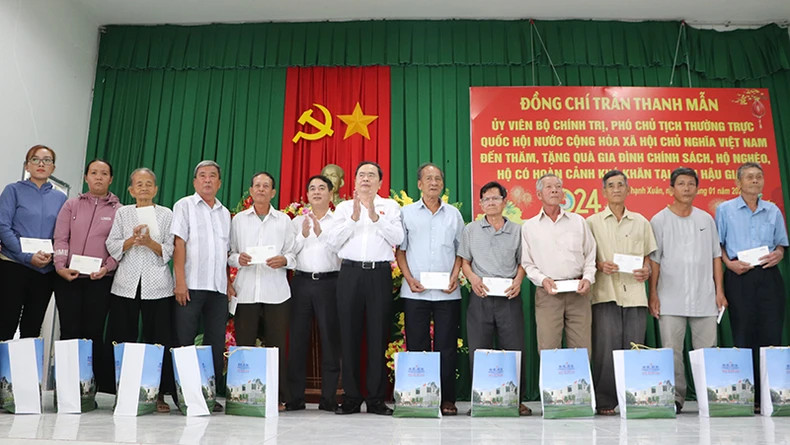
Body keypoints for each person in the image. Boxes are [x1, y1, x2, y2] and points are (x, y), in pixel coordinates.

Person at [327, 161, 404, 415]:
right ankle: (351, 397)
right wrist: (353, 219)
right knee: (349, 336)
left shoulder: (390, 207)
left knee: (377, 335)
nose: (366, 179)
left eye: (372, 175)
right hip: (350, 273)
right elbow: (333, 242)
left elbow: (398, 238)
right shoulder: (343, 208)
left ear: (380, 182)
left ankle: (375, 399)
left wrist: (374, 217)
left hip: (379, 274)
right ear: (354, 180)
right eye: (361, 175)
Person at [648, 167, 726, 413]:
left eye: (691, 184)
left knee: (706, 351)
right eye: (681, 184)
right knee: (672, 351)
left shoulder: (706, 219)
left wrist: (720, 291)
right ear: (671, 189)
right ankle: (676, 397)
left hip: (705, 296)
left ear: (697, 188)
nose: (686, 188)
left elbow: (716, 257)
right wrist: (653, 294)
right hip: (670, 296)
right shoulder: (659, 220)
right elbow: (654, 261)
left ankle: (708, 396)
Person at [715, 162, 787, 413]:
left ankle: (772, 394)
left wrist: (779, 254)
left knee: (771, 333)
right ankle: (749, 396)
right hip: (739, 275)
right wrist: (729, 265)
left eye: (758, 177)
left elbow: (780, 244)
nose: (755, 181)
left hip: (768, 275)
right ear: (738, 183)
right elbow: (718, 246)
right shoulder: (725, 210)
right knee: (743, 333)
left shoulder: (773, 210)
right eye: (749, 177)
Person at [586, 170, 657, 416]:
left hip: (635, 294)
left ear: (628, 189)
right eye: (611, 185)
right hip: (605, 292)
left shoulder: (641, 222)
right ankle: (605, 400)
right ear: (603, 192)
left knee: (634, 347)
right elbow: (586, 257)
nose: (616, 189)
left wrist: (646, 270)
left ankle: (634, 397)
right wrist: (599, 265)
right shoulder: (591, 222)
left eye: (620, 185)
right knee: (605, 349)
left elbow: (648, 257)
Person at [395, 163, 464, 416]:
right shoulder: (407, 213)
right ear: (419, 184)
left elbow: (461, 251)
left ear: (442, 184)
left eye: (438, 179)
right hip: (415, 291)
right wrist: (408, 278)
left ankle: (447, 399)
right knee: (417, 345)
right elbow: (400, 251)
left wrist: (455, 277)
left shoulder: (454, 215)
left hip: (448, 293)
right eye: (428, 178)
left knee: (447, 347)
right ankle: (420, 397)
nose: (433, 182)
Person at [105, 167, 176, 413]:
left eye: (148, 184)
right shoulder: (123, 213)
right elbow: (112, 245)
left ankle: (158, 394)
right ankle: (123, 391)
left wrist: (149, 242)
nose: (144, 188)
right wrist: (132, 240)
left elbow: (170, 249)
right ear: (131, 190)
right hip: (126, 285)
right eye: (139, 184)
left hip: (158, 286)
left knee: (159, 340)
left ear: (155, 189)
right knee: (123, 337)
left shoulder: (166, 214)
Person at [459, 181, 530, 416]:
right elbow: (464, 262)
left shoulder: (518, 230)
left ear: (504, 202)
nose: (491, 203)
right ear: (481, 204)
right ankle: (480, 399)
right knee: (479, 350)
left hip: (509, 297)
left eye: (495, 198)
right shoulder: (470, 230)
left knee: (514, 349)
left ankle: (516, 400)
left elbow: (523, 263)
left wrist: (518, 281)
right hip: (480, 296)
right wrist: (473, 279)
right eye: (486, 199)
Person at [228, 171, 294, 411]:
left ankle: (277, 397)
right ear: (251, 190)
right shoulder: (238, 220)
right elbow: (230, 253)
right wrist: (238, 259)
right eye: (257, 185)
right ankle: (241, 396)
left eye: (266, 186)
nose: (261, 189)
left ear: (273, 192)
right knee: (244, 345)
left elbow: (293, 254)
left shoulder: (284, 220)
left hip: (276, 292)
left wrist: (284, 260)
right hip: (246, 291)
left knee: (276, 347)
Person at [53, 158, 120, 393]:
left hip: (100, 281)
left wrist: (107, 268)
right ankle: (65, 389)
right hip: (68, 279)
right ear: (86, 177)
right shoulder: (71, 205)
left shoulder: (119, 211)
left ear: (111, 179)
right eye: (94, 172)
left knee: (93, 332)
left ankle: (88, 389)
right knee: (69, 331)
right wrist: (60, 266)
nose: (98, 177)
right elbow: (61, 238)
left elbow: (119, 248)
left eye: (104, 173)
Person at [171, 160, 232, 412]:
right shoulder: (184, 205)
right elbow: (179, 244)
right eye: (203, 175)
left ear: (219, 182)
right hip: (190, 285)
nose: (208, 180)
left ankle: (208, 395)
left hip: (217, 288)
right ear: (195, 181)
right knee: (184, 341)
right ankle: (184, 396)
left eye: (213, 176)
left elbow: (225, 252)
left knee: (215, 343)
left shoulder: (225, 213)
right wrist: (180, 281)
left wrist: (228, 283)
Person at [521, 173, 596, 353]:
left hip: (578, 292)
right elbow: (527, 263)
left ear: (563, 193)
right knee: (548, 349)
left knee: (581, 348)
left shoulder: (578, 221)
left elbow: (590, 255)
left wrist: (588, 278)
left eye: (558, 187)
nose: (554, 190)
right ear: (539, 195)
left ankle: (580, 375)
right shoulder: (529, 227)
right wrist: (543, 280)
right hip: (548, 293)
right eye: (549, 187)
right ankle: (552, 376)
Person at [286, 175, 342, 412]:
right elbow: (289, 253)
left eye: (321, 188)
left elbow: (341, 251)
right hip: (301, 282)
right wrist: (303, 235)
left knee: (330, 340)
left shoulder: (339, 221)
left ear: (331, 194)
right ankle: (295, 398)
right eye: (312, 189)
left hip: (330, 283)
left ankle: (329, 398)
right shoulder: (296, 222)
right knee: (297, 340)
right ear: (307, 195)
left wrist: (321, 234)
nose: (317, 192)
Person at [0, 145, 67, 340]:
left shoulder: (61, 198)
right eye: (35, 159)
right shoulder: (13, 190)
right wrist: (27, 256)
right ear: (27, 166)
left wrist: (52, 257)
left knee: (32, 327)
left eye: (47, 160)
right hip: (14, 265)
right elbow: (3, 226)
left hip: (44, 270)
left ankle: (25, 362)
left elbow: (62, 234)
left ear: (53, 168)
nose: (41, 164)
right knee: (6, 322)